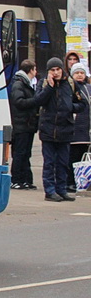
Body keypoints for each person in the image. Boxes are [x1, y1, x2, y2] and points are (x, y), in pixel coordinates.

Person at [34, 57, 86, 201]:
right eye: (52, 70)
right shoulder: (43, 83)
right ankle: (49, 191)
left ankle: (61, 189)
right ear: (48, 71)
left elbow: (82, 103)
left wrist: (71, 108)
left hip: (65, 129)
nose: (55, 73)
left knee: (63, 163)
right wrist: (49, 88)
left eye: (58, 69)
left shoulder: (70, 83)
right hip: (48, 130)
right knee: (49, 162)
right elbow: (38, 101)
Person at [7, 58, 39, 190]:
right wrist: (34, 101)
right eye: (35, 69)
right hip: (22, 125)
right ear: (31, 70)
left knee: (26, 153)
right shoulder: (19, 84)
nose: (36, 72)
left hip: (27, 124)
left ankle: (26, 179)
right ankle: (16, 179)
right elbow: (18, 102)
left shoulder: (26, 84)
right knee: (20, 153)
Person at [70, 62, 91, 191]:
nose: (79, 75)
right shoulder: (70, 88)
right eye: (77, 73)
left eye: (81, 73)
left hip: (86, 130)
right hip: (74, 130)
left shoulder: (88, 88)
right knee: (73, 158)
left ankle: (84, 180)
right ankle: (71, 181)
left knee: (85, 157)